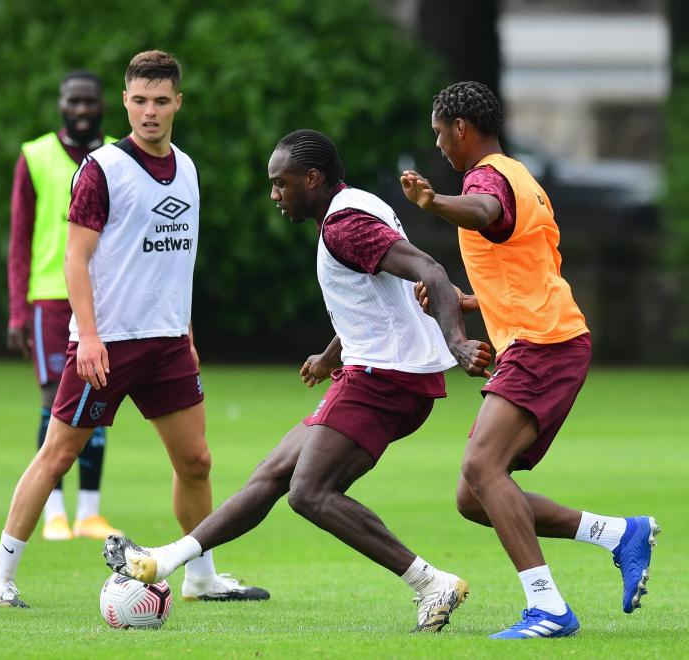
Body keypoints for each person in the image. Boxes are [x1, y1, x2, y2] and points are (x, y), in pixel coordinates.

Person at [103, 129, 494, 632]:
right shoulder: (355, 207)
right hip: (378, 371)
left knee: (309, 492)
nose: (274, 194)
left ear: (312, 178)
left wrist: (458, 340)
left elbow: (430, 271)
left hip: (385, 378)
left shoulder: (345, 225)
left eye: (281, 183)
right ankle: (165, 560)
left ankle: (431, 583)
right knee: (273, 474)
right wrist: (331, 355)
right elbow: (376, 294)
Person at [0, 50, 269, 608]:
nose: (149, 112)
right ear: (125, 102)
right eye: (139, 101)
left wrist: (187, 332)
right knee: (57, 454)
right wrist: (86, 336)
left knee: (197, 461)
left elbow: (178, 262)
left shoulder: (188, 168)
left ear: (178, 102)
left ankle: (202, 576)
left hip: (168, 344)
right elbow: (75, 260)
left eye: (161, 101)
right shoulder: (101, 170)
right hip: (107, 343)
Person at [401, 81, 659, 639]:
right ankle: (617, 534)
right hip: (547, 338)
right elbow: (524, 265)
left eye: (440, 134)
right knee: (474, 497)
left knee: (480, 470)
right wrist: (470, 302)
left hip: (543, 343)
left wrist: (434, 203)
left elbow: (482, 210)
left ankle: (548, 609)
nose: (440, 145)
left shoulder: (487, 178)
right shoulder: (525, 178)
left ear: (461, 128)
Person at [8, 70, 121, 541]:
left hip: (105, 297)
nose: (79, 110)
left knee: (97, 398)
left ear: (102, 105)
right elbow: (20, 238)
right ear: (60, 104)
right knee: (53, 400)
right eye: (71, 101)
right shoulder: (34, 156)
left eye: (88, 102)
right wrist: (17, 310)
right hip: (50, 297)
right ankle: (54, 510)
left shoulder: (120, 154)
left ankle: (89, 511)